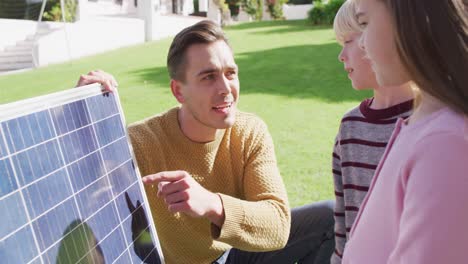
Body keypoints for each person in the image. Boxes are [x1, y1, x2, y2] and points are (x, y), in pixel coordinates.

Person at [77, 20, 335, 264]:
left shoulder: (249, 131)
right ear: (179, 91)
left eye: (231, 73)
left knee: (330, 218)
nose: (226, 88)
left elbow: (277, 225)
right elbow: (86, 190)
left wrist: (213, 204)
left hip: (232, 254)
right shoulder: (141, 142)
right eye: (208, 77)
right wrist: (75, 116)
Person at [341, 0, 468, 263]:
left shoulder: (444, 145)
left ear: (412, 21)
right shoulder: (426, 126)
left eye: (365, 23)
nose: (362, 43)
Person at [329, 1, 414, 263]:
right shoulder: (349, 126)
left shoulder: (427, 127)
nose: (341, 56)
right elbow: (343, 216)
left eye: (349, 41)